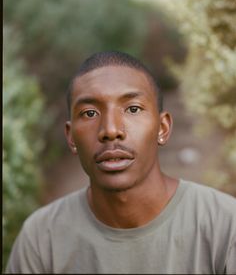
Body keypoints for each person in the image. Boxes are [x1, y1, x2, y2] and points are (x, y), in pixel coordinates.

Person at [6, 51, 236, 274]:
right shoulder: (41, 238)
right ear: (71, 137)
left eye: (133, 109)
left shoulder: (225, 227)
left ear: (162, 128)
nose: (111, 130)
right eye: (89, 113)